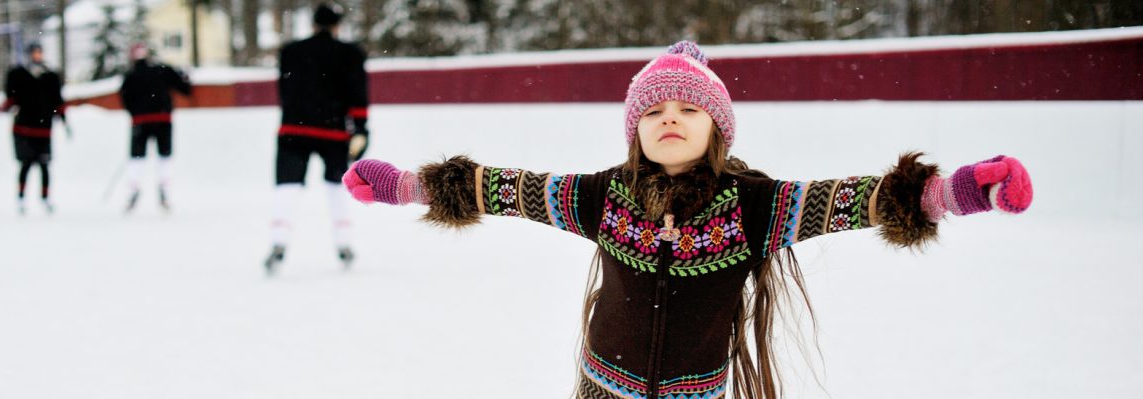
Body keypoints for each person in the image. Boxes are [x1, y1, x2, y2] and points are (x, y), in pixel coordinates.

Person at [341, 41, 1033, 398]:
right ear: (633, 129)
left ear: (717, 128)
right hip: (602, 389)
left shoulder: (756, 207)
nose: (668, 117)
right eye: (652, 110)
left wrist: (959, 191)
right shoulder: (602, 197)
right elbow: (505, 188)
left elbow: (857, 200)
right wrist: (404, 184)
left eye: (687, 109)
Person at [265, 3, 371, 274]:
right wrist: (360, 127)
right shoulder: (350, 54)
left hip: (293, 129)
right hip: (333, 131)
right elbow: (358, 93)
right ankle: (344, 243)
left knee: (287, 185)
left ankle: (278, 241)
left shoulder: (291, 51)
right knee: (337, 185)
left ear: (313, 25)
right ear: (337, 26)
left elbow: (284, 89)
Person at [118, 43, 193, 212]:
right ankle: (164, 188)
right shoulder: (163, 70)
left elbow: (124, 97)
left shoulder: (131, 74)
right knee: (164, 155)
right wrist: (186, 76)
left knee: (137, 156)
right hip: (162, 118)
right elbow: (186, 89)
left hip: (141, 121)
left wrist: (135, 113)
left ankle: (134, 189)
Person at [3, 42, 67, 215]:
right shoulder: (18, 74)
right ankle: (21, 198)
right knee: (26, 165)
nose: (37, 55)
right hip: (24, 128)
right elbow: (10, 98)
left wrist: (64, 120)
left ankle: (45, 198)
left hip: (44, 128)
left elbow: (58, 101)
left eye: (39, 52)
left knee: (44, 165)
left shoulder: (50, 76)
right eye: (34, 52)